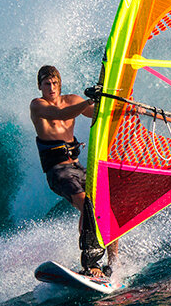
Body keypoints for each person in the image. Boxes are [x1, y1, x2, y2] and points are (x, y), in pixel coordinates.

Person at [30, 65, 117, 277]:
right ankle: (91, 264)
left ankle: (114, 262)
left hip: (77, 167)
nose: (51, 88)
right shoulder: (37, 105)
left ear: (60, 84)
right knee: (88, 205)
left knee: (107, 205)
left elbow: (98, 113)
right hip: (58, 172)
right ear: (39, 86)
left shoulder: (72, 100)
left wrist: (117, 106)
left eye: (55, 83)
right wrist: (89, 100)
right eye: (46, 84)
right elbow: (60, 114)